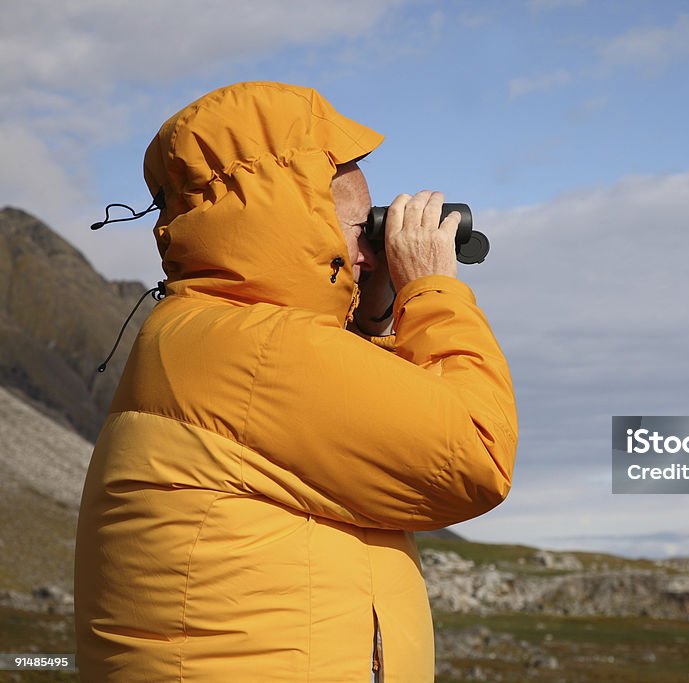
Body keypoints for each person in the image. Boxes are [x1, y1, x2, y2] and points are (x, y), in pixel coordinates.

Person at [74, 81, 518, 682]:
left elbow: (363, 427)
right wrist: (432, 290)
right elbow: (472, 456)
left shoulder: (212, 334)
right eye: (360, 229)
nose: (370, 251)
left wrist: (378, 313)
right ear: (285, 214)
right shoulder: (252, 346)